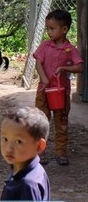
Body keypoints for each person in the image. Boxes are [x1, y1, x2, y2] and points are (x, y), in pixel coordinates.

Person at [32, 9, 83, 166]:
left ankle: (60, 152)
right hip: (43, 91)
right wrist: (45, 79)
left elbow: (80, 67)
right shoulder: (45, 46)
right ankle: (40, 152)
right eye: (47, 28)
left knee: (61, 121)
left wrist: (64, 68)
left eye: (52, 28)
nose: (48, 31)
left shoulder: (70, 49)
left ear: (64, 29)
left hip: (61, 92)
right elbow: (38, 63)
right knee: (41, 120)